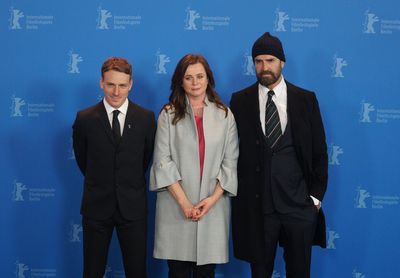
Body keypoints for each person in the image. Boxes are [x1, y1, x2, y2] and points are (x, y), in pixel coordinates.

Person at [230, 32, 328, 278]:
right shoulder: (239, 101)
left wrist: (315, 198)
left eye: (270, 60)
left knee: (299, 272)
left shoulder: (306, 100)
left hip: (298, 206)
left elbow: (319, 151)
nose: (264, 67)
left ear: (282, 62)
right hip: (258, 207)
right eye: (259, 61)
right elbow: (230, 151)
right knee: (259, 273)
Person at [150, 54, 238, 278]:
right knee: (177, 271)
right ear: (180, 81)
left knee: (206, 273)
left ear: (208, 79)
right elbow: (162, 161)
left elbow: (230, 163)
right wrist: (185, 203)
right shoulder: (167, 115)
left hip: (213, 209)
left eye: (200, 76)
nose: (195, 82)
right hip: (176, 209)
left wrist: (211, 200)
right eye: (189, 78)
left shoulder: (225, 115)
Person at [72, 57, 156, 278]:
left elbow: (146, 159)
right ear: (101, 83)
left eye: (122, 85)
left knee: (137, 272)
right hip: (96, 208)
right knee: (92, 271)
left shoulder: (146, 118)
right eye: (110, 84)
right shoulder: (85, 119)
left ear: (131, 84)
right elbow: (84, 160)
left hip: (133, 208)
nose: (116, 92)